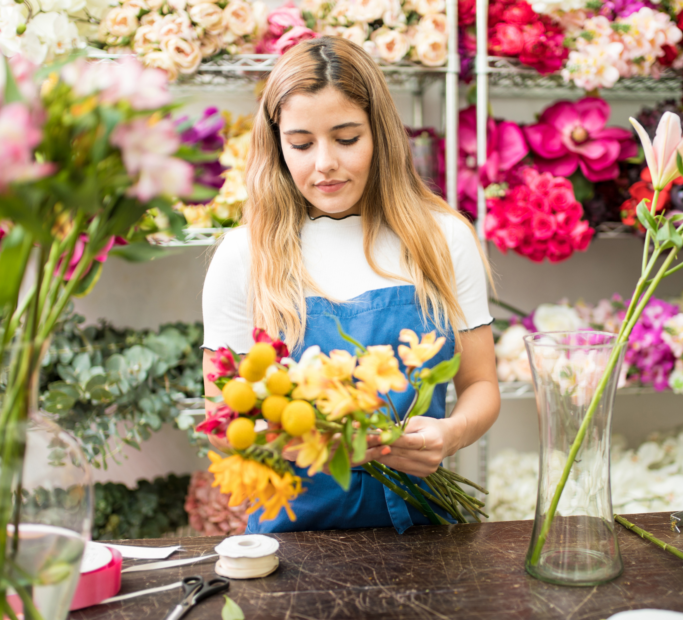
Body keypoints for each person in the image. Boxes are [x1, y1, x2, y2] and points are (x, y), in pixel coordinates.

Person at [201, 36, 500, 534]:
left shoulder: (443, 238)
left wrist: (450, 434)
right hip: (290, 539)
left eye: (346, 138)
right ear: (277, 144)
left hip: (422, 530)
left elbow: (480, 385)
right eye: (301, 143)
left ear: (379, 134)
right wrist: (292, 440)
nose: (324, 164)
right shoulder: (243, 255)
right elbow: (222, 422)